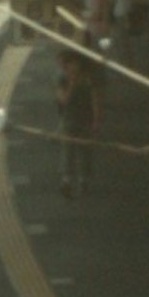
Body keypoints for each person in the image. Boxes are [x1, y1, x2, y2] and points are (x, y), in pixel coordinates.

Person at [57, 38, 104, 202]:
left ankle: (84, 180)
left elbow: (95, 100)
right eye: (67, 65)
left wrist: (97, 121)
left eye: (71, 64)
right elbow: (63, 101)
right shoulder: (63, 81)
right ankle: (67, 180)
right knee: (67, 151)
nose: (69, 68)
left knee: (85, 151)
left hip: (86, 120)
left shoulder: (89, 80)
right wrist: (71, 84)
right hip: (68, 120)